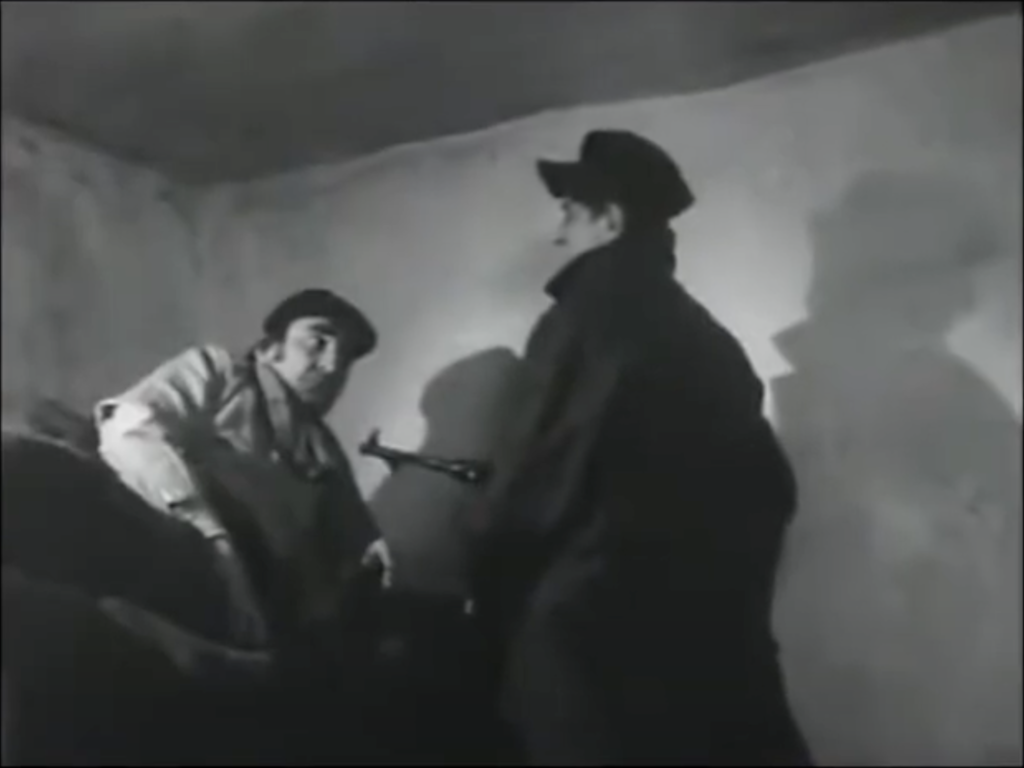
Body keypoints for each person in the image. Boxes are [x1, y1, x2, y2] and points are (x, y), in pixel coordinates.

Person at [470, 130, 811, 765]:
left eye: (569, 213)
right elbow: (771, 488)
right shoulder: (706, 335)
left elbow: (538, 469)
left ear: (611, 219)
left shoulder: (586, 314)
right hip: (709, 629)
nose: (558, 235)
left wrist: (489, 578)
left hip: (595, 624)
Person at [94, 288, 393, 654]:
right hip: (179, 561)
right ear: (270, 348)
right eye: (318, 343)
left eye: (345, 358)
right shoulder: (217, 372)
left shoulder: (323, 451)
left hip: (269, 618)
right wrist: (212, 537)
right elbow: (130, 430)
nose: (332, 367)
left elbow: (360, 548)